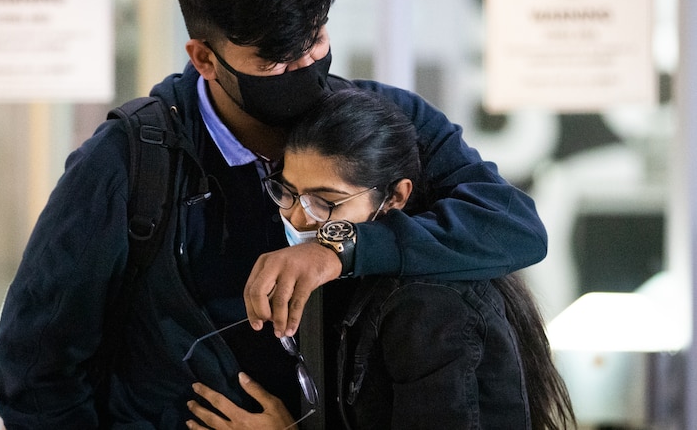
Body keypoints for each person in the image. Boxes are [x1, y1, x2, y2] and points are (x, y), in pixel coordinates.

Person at [0, 0, 549, 428]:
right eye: (275, 60)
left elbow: (513, 226)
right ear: (205, 58)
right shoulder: (130, 161)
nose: (306, 64)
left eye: (315, 39)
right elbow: (37, 365)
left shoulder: (382, 119)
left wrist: (342, 248)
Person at [186, 89, 575, 429]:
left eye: (325, 202)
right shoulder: (368, 289)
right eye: (287, 192)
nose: (299, 217)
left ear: (396, 197)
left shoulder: (429, 308)